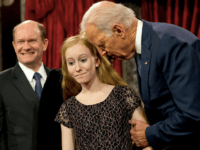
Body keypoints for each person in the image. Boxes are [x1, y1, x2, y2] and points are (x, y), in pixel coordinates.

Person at [80, 1, 200, 150]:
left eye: (102, 45)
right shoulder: (145, 45)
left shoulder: (169, 43)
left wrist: (149, 134)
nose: (102, 53)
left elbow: (193, 115)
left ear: (119, 31)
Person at [54, 34, 153, 150]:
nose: (77, 68)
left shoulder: (123, 95)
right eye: (71, 63)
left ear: (96, 61)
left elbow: (145, 141)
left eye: (83, 60)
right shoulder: (68, 108)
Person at [0, 20, 63, 150]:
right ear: (14, 46)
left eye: (32, 40)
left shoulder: (61, 79)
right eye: (21, 42)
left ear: (45, 44)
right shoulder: (2, 82)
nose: (26, 47)